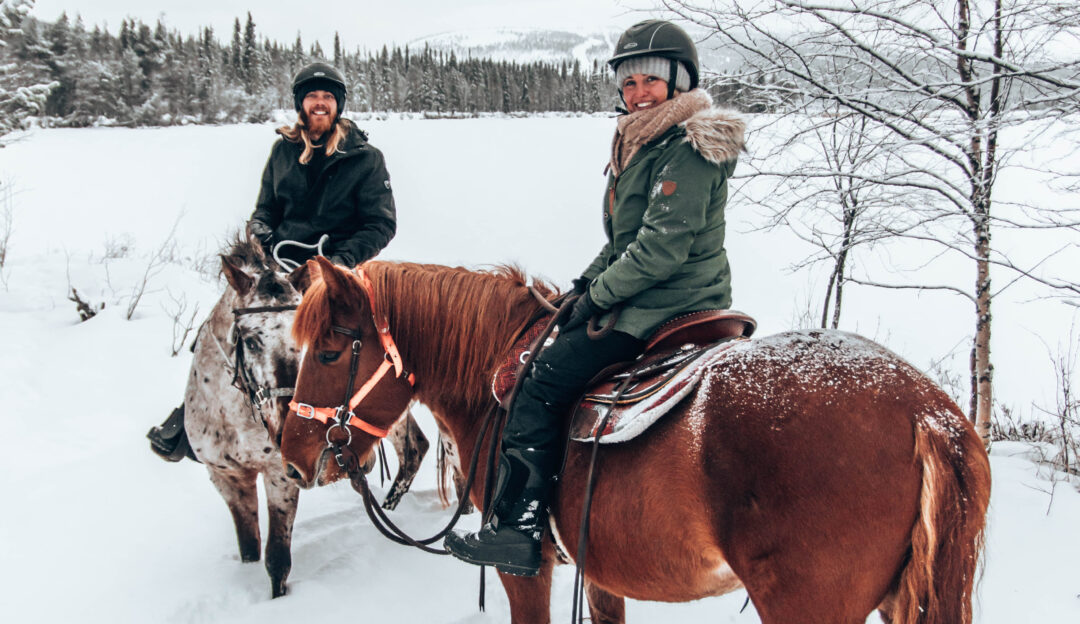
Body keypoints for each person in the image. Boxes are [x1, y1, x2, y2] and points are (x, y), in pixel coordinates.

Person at [444, 20, 746, 577]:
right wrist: (585, 286)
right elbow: (623, 242)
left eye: (650, 80)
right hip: (650, 292)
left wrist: (599, 298)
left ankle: (518, 528)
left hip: (668, 302)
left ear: (679, 82)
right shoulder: (645, 142)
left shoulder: (687, 148)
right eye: (628, 82)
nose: (638, 92)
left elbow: (659, 251)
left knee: (542, 381)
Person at [147, 62, 397, 461]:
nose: (320, 103)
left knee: (342, 346)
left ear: (339, 105)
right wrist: (261, 227)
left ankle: (344, 428)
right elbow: (265, 207)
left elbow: (381, 224)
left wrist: (338, 261)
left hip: (334, 271)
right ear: (300, 104)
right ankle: (191, 418)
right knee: (220, 328)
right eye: (312, 96)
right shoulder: (283, 151)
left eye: (328, 97)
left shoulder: (366, 159)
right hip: (278, 268)